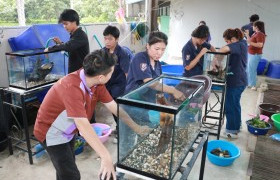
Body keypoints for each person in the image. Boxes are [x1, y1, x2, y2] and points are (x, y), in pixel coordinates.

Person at [33, 50, 149, 180]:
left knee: (66, 166)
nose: (113, 74)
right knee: (71, 175)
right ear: (101, 77)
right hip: (51, 132)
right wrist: (105, 156)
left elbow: (114, 107)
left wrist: (136, 127)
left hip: (67, 130)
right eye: (112, 72)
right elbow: (83, 126)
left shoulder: (96, 83)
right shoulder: (72, 87)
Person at [216, 28, 248, 138]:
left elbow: (223, 49)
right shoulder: (242, 43)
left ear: (233, 39)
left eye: (227, 41)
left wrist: (215, 59)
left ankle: (232, 131)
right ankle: (237, 125)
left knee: (230, 106)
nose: (226, 44)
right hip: (240, 80)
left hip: (236, 81)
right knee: (235, 104)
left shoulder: (238, 45)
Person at [102, 25, 132, 131]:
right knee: (112, 108)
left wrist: (128, 90)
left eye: (110, 39)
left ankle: (122, 129)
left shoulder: (122, 53)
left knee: (117, 108)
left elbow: (127, 73)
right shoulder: (103, 52)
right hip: (107, 84)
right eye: (105, 38)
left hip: (119, 86)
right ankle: (119, 127)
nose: (107, 41)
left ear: (117, 39)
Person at [45, 9, 89, 74]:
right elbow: (71, 47)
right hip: (76, 71)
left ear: (74, 22)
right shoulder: (74, 34)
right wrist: (60, 43)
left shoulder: (80, 35)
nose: (64, 26)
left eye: (66, 24)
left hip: (80, 72)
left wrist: (49, 49)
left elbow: (68, 46)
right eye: (63, 24)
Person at [245, 20, 266, 90]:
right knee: (249, 69)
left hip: (255, 54)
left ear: (256, 27)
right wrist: (247, 35)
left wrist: (250, 43)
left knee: (252, 70)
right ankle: (250, 83)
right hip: (251, 53)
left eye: (253, 26)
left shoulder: (260, 34)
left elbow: (260, 45)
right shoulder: (255, 34)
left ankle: (253, 85)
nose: (252, 27)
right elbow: (249, 41)